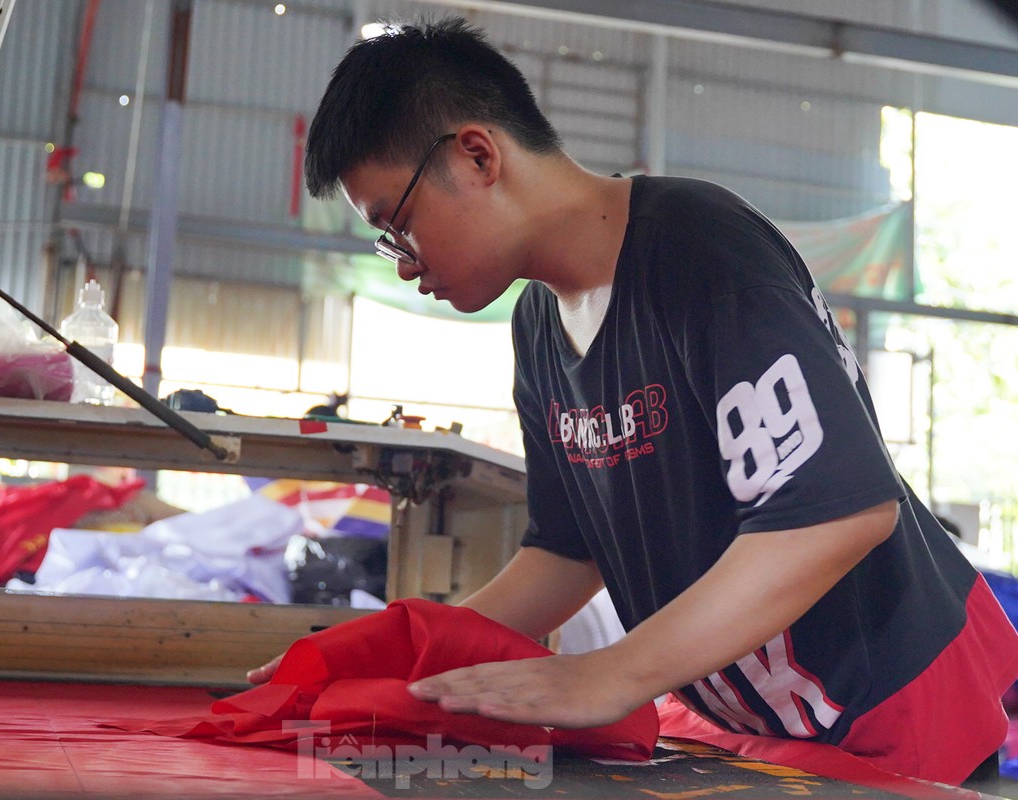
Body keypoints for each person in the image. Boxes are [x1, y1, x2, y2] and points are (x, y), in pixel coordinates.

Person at [249, 17, 1018, 786]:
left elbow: (836, 512)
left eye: (398, 225)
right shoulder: (541, 327)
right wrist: (396, 657)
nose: (403, 265)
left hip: (883, 712)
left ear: (477, 155)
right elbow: (567, 551)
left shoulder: (699, 253)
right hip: (740, 722)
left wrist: (609, 673)